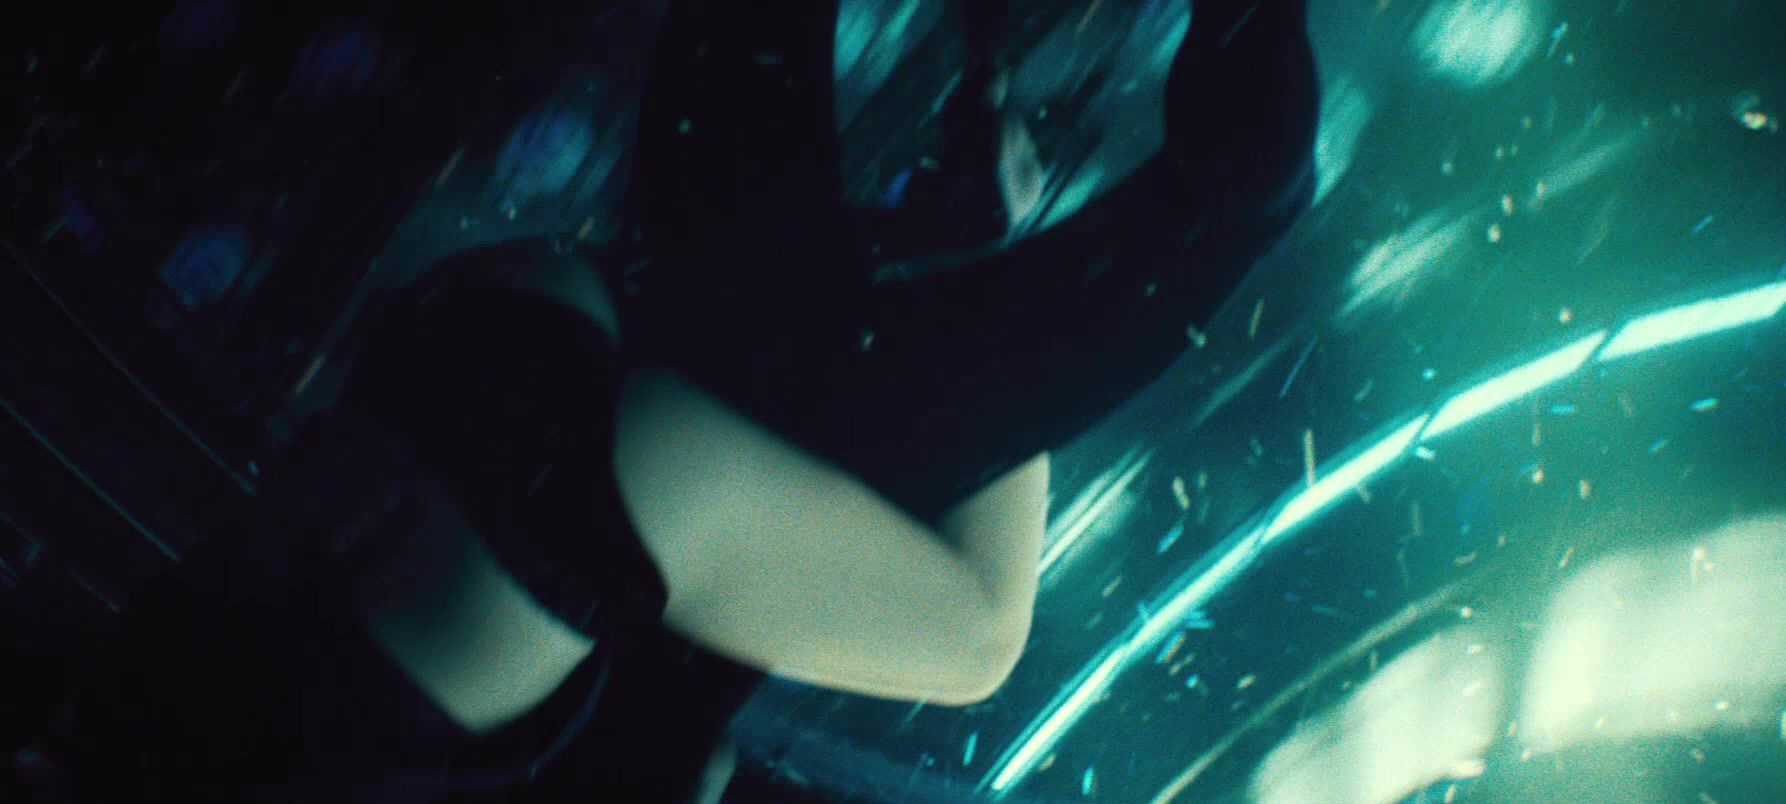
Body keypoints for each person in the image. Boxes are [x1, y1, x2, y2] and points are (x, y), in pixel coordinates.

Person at [49, 0, 1316, 801]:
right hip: (494, 350)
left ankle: (1162, 186)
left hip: (551, 525)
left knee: (974, 633)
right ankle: (980, 218)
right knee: (754, 279)